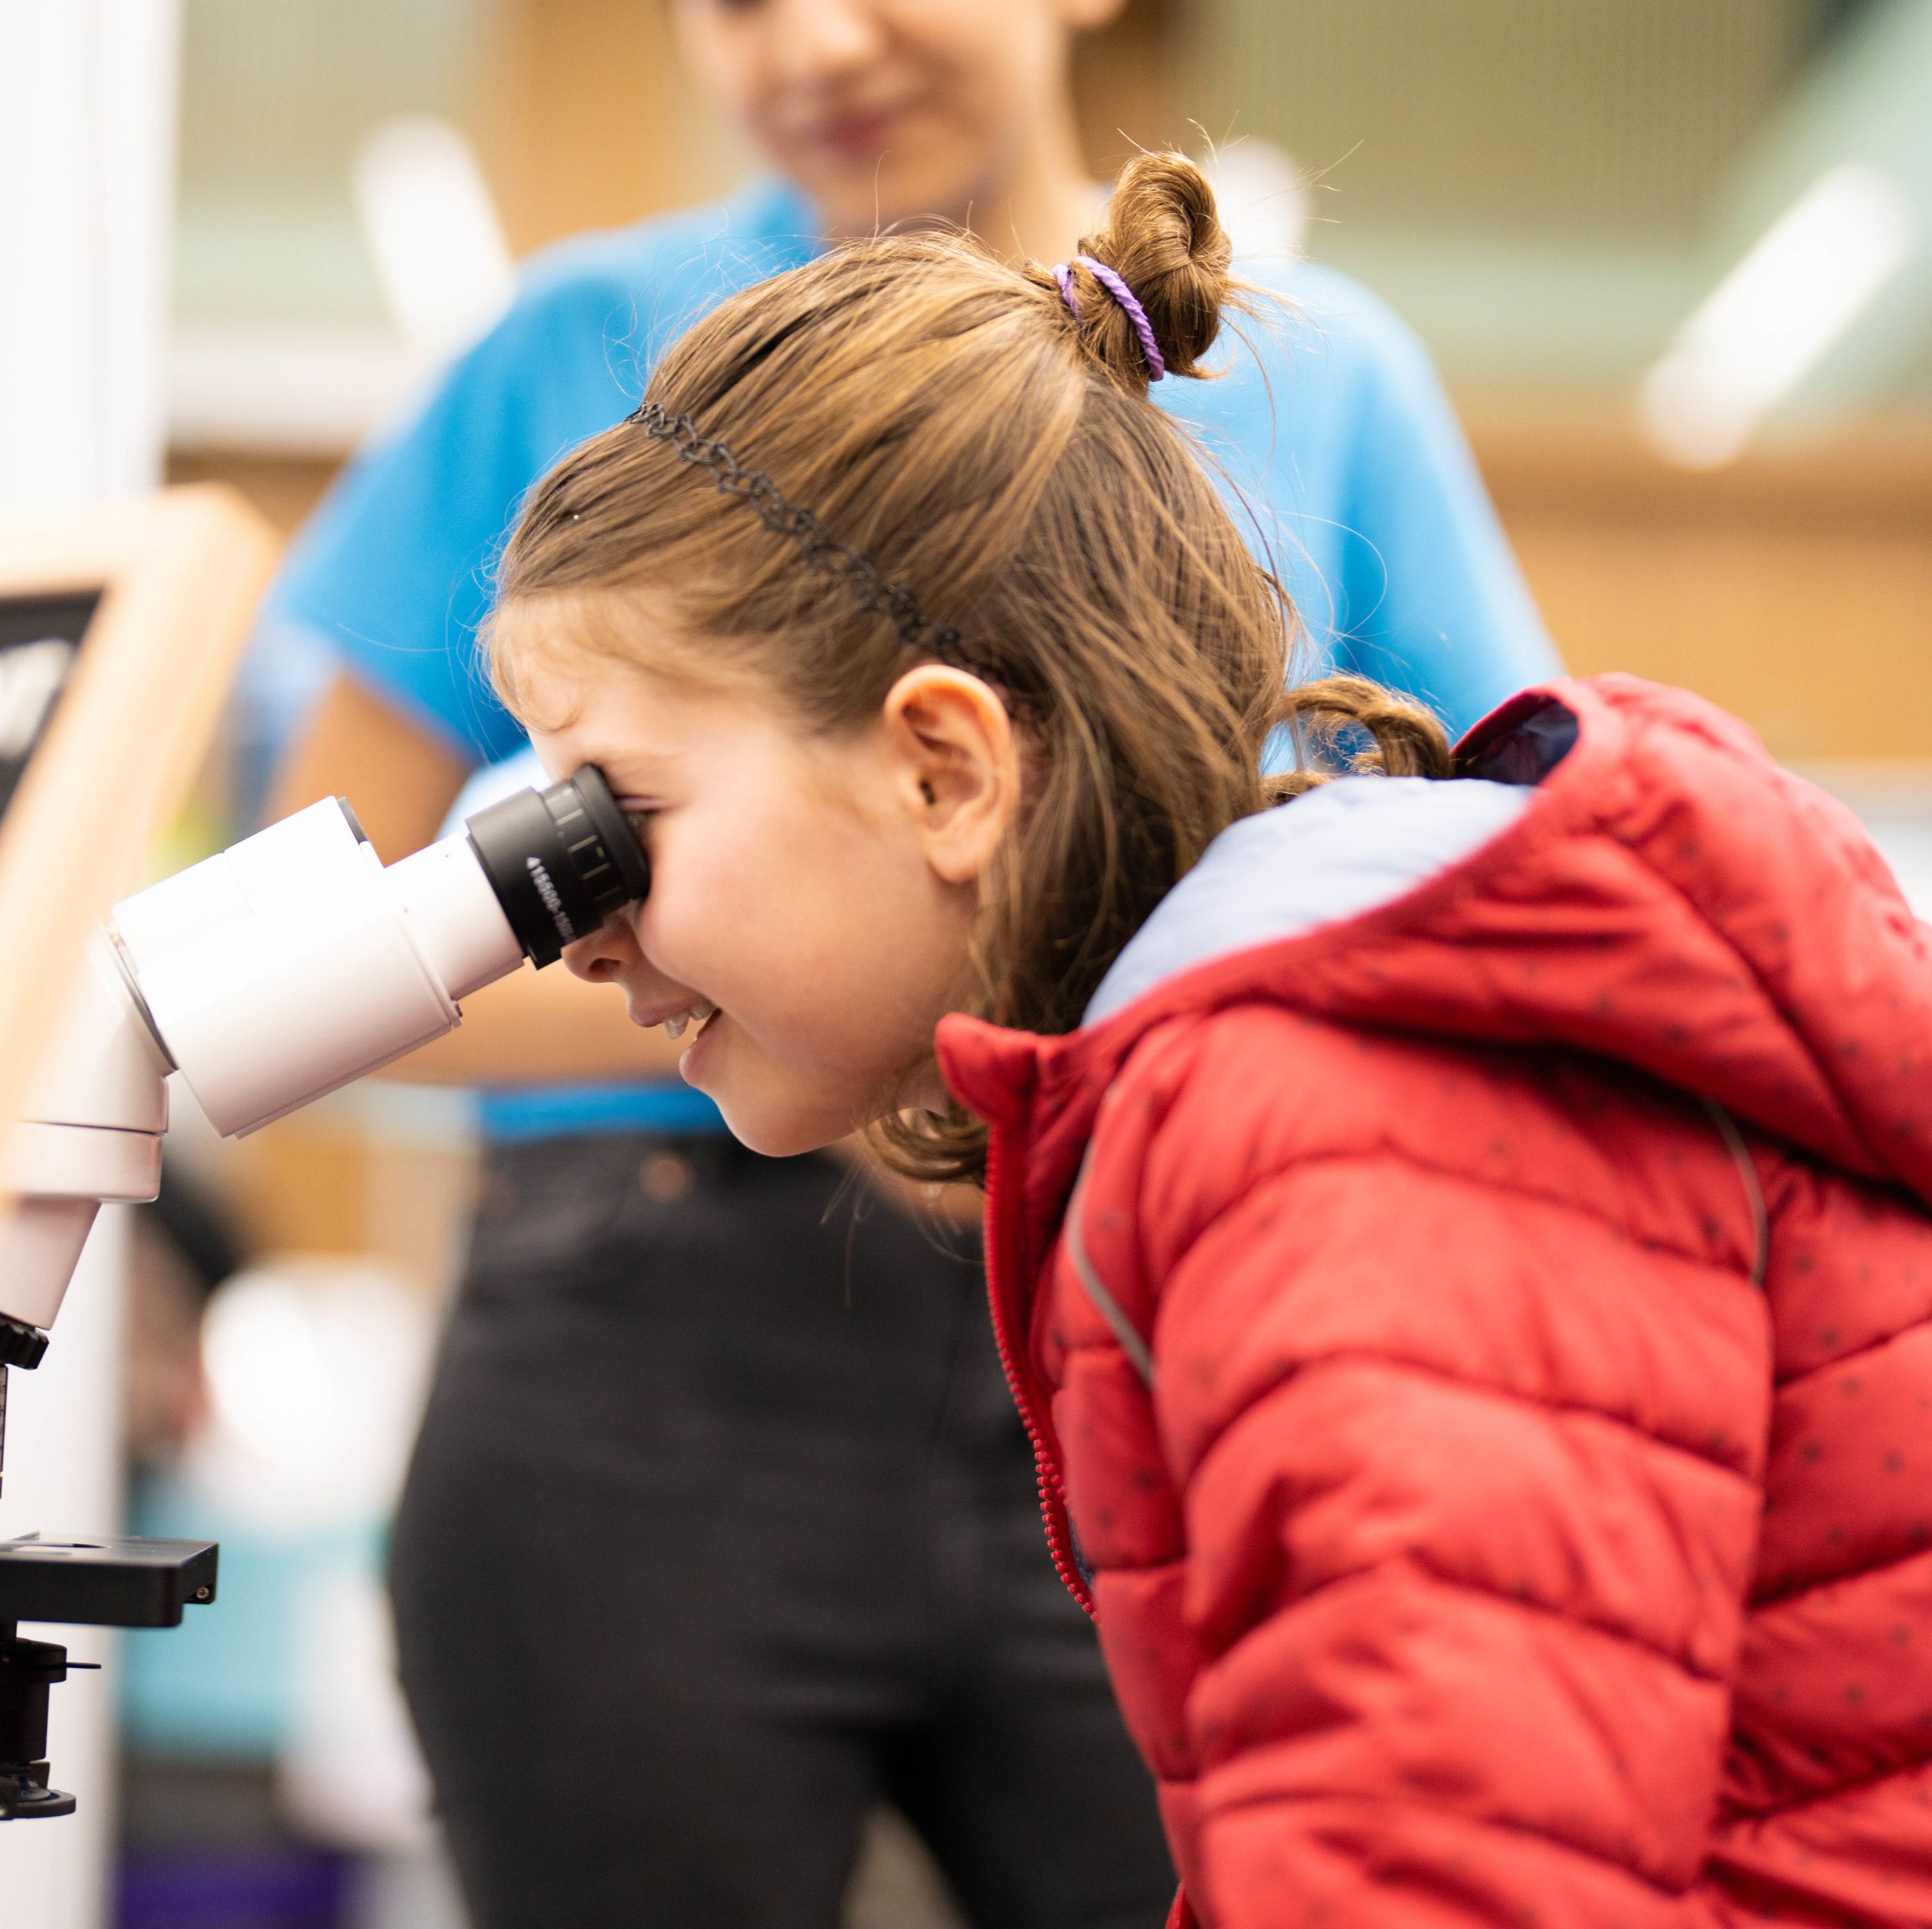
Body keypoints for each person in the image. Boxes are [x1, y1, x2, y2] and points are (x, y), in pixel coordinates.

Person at [478, 153, 1932, 1928]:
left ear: (941, 769)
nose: (572, 936)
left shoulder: (1328, 1098)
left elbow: (1440, 1868)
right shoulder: (1283, 1041)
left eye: (610, 820)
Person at [251, 6, 1556, 1926]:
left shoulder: (1320, 377)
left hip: (1146, 1301)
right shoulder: (571, 343)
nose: (815, 43)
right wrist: (791, 1021)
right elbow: (311, 934)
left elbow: (1490, 867)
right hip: (650, 1346)